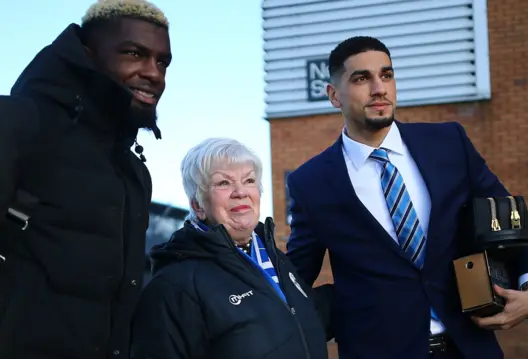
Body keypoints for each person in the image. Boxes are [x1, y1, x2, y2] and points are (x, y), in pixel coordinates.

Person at [285, 36, 528, 359]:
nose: (379, 88)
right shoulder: (311, 183)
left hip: (468, 347)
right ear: (333, 95)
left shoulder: (448, 143)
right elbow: (295, 275)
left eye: (386, 75)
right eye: (361, 78)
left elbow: (511, 214)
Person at [0, 1, 171, 358]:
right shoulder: (20, 123)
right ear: (87, 54)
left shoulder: (134, 172)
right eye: (133, 53)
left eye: (162, 62)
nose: (154, 73)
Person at [129, 138, 332, 359]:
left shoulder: (278, 263)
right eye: (223, 183)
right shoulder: (174, 287)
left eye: (249, 180)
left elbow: (295, 324)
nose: (240, 192)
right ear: (198, 205)